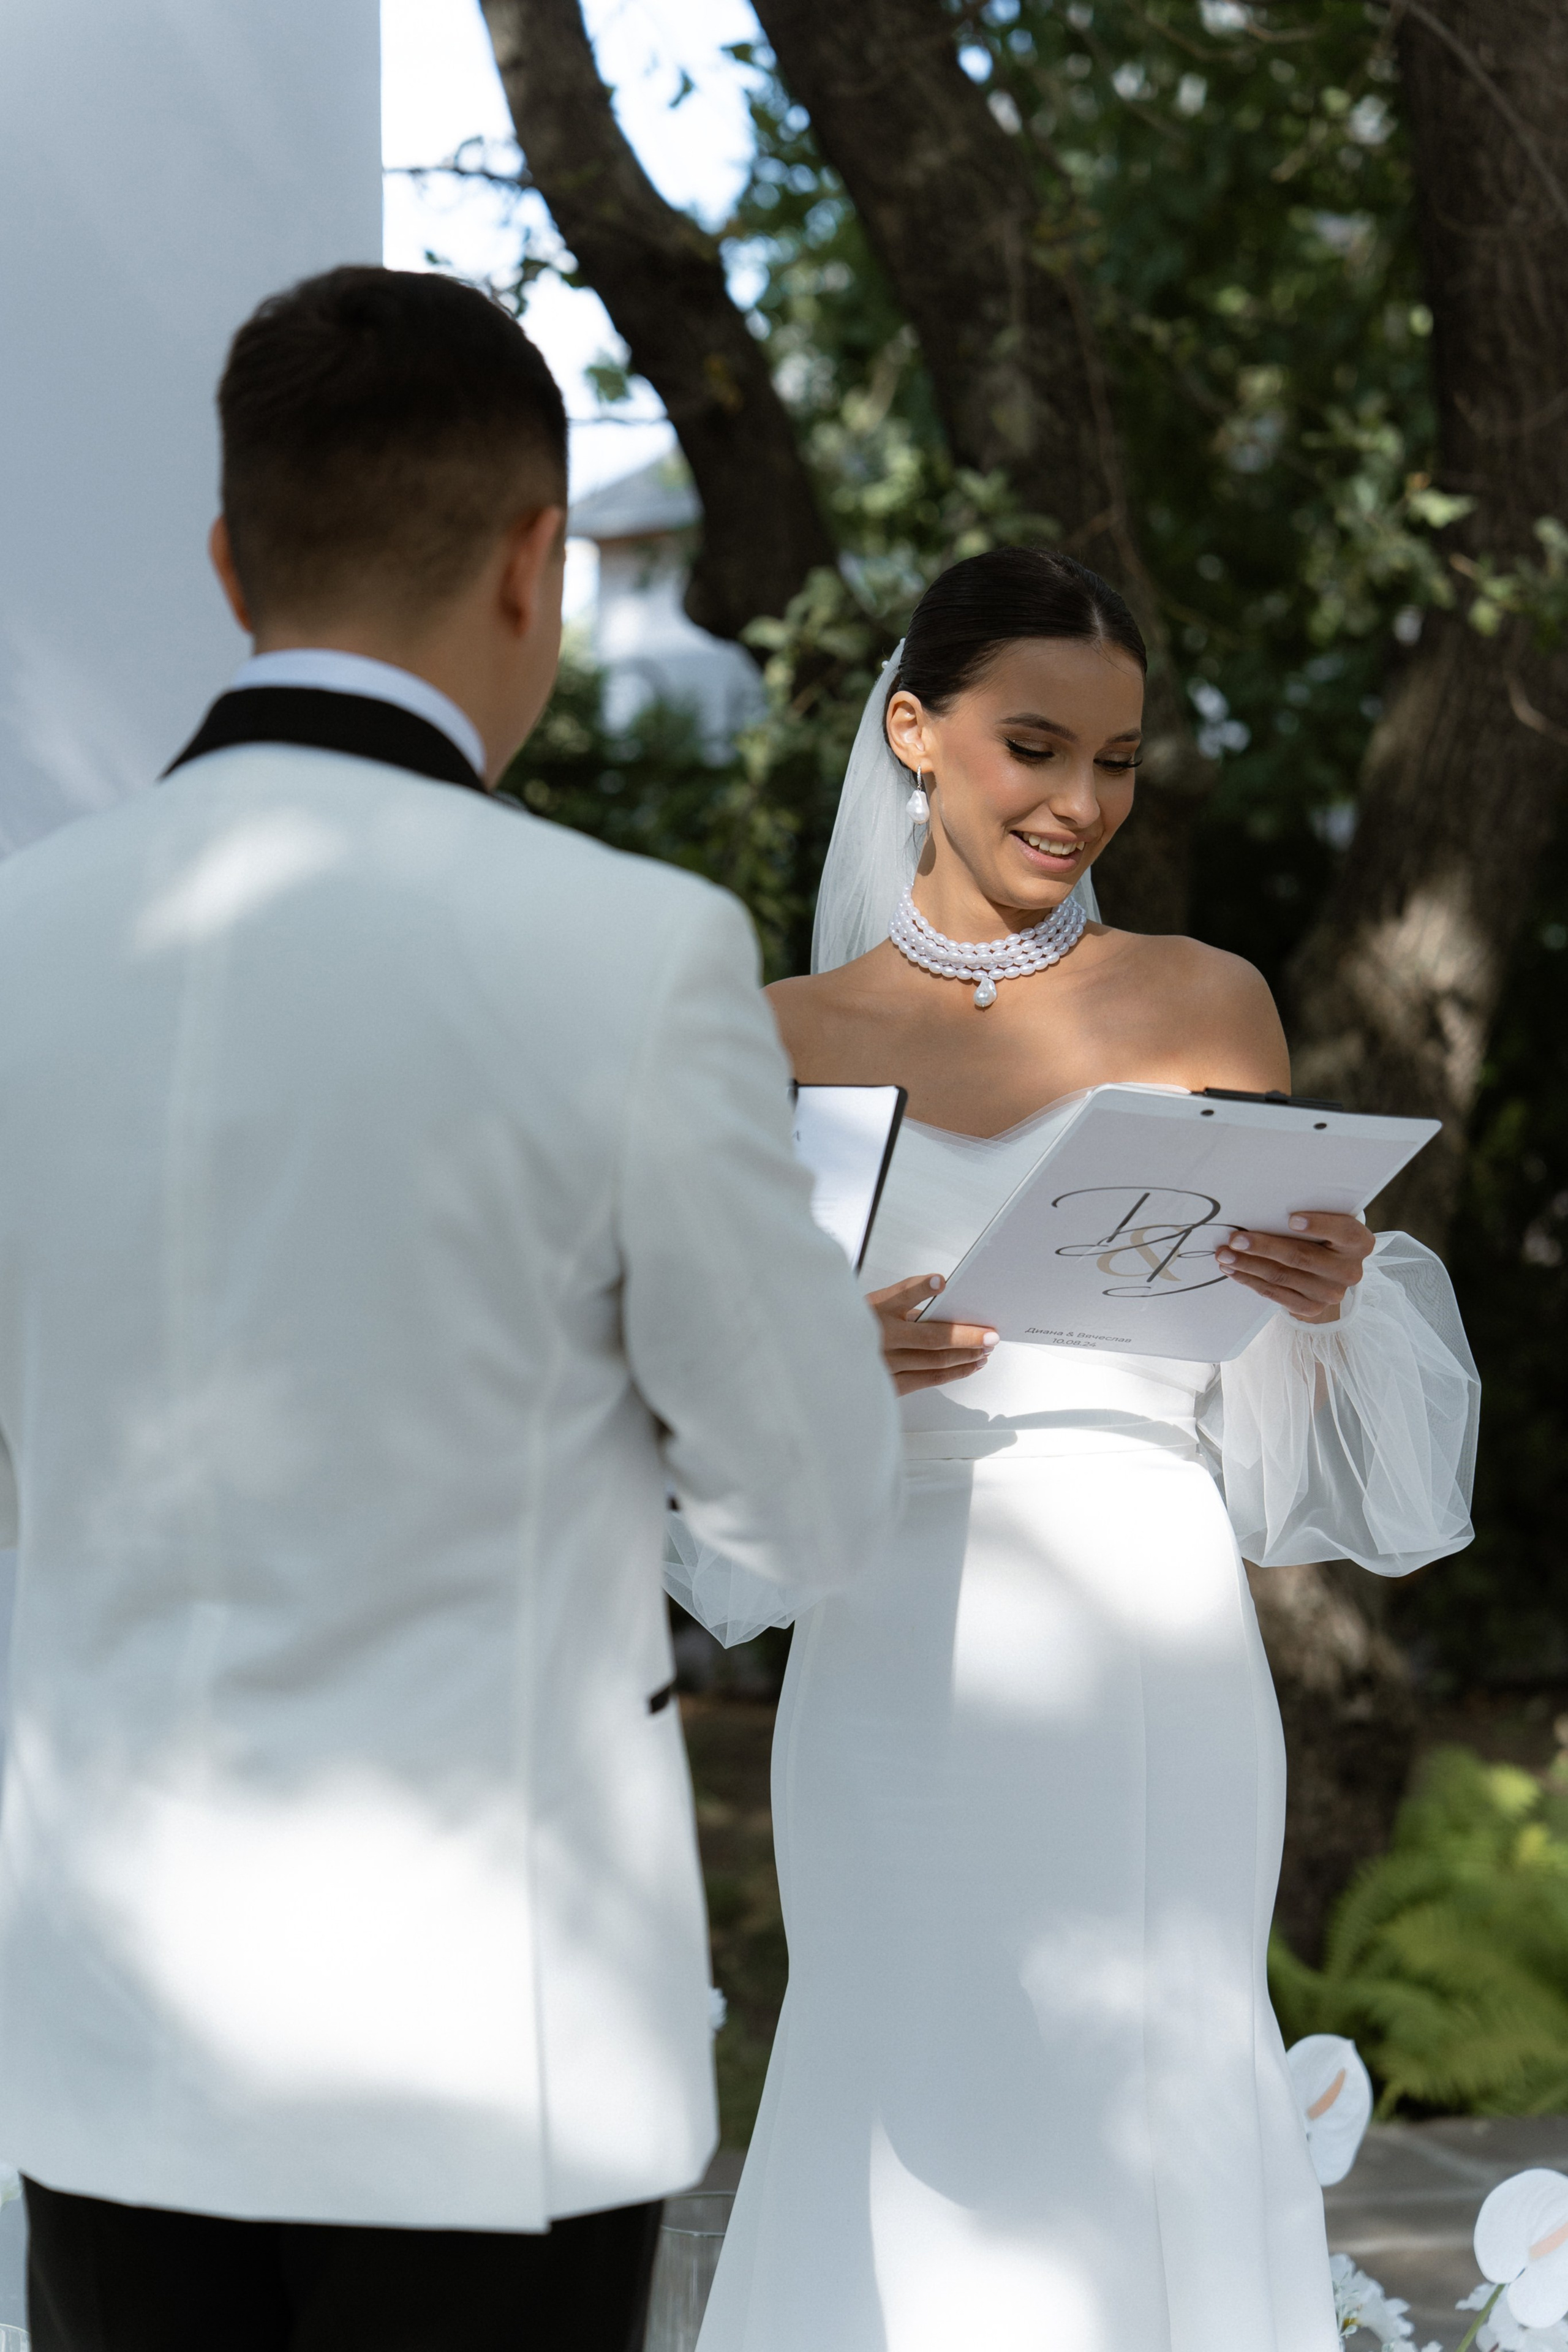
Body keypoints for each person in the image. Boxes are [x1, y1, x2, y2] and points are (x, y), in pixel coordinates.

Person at [0, 266, 901, 2352]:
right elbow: (815, 1499)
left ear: (232, 561)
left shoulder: (18, 947)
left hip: (113, 2014)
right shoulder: (634, 953)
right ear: (536, 565)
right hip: (481, 2035)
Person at [669, 548, 1480, 2352]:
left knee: (1157, 2050)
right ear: (913, 734)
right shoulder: (787, 1041)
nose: (1080, 802)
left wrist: (1324, 1292)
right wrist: (814, 1360)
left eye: (1117, 760)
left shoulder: (1209, 1001)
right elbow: (703, 1429)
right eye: (1035, 746)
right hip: (892, 1627)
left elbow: (1283, 1417)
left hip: (1152, 1622)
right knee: (895, 2046)